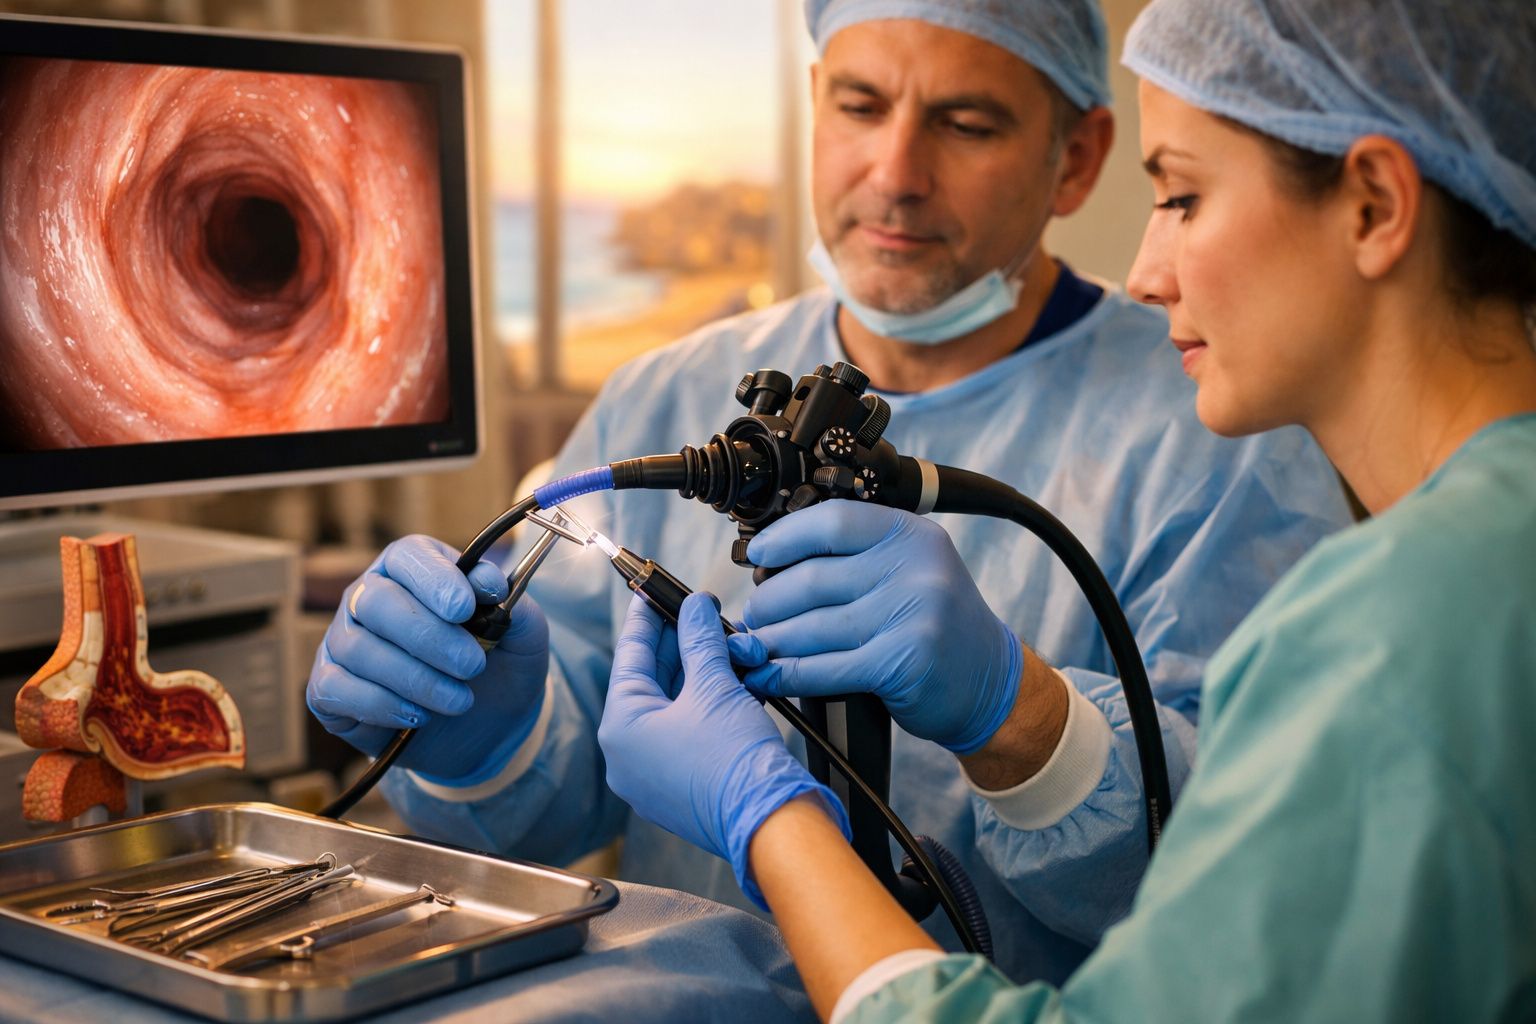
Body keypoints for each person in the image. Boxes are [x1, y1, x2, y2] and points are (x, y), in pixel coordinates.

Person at [305, 0, 1352, 985]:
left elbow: (1264, 879)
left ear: (1074, 159)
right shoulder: (667, 392)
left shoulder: (1222, 428)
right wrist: (486, 741)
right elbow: (557, 811)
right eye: (859, 105)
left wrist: (1023, 718)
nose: (895, 172)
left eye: (967, 122)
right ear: (814, 104)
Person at [597, 0, 1536, 1019]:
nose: (1143, 271)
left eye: (1179, 195)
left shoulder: (1401, 633)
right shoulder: (1477, 563)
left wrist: (771, 814)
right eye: (861, 104)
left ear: (1373, 206)